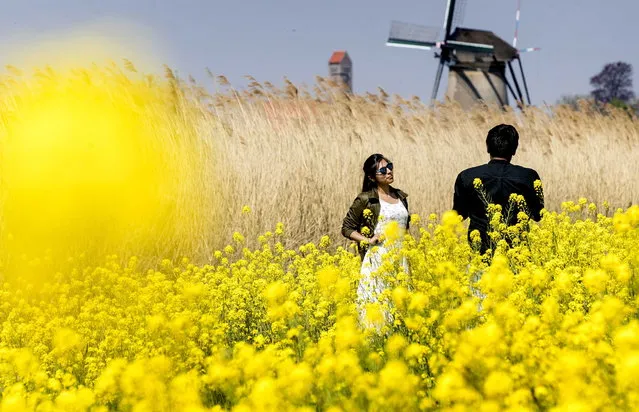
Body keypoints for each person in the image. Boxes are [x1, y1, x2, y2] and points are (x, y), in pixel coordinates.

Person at [452, 124, 544, 255]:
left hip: (480, 256)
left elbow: (458, 216)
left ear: (488, 147)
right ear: (514, 149)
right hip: (517, 256)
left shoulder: (466, 177)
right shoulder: (528, 177)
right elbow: (538, 215)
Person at [342, 154, 410, 328]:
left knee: (402, 311)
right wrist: (368, 240)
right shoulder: (365, 199)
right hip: (378, 259)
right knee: (378, 311)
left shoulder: (400, 196)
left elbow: (405, 227)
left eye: (389, 166)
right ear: (372, 177)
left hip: (401, 259)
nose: (388, 171)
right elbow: (347, 228)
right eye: (382, 170)